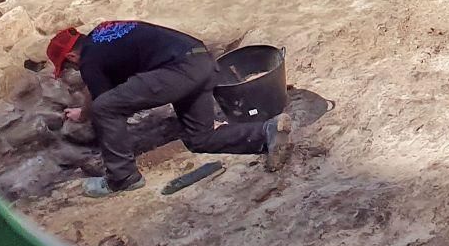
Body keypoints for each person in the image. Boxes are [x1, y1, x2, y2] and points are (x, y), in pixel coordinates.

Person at [45, 21, 292, 197]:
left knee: (105, 108)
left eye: (68, 68)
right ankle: (265, 133)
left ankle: (122, 179)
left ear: (71, 58)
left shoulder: (89, 61)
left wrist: (87, 114)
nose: (74, 72)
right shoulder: (103, 33)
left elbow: (104, 103)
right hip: (201, 61)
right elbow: (105, 92)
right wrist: (83, 111)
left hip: (177, 70)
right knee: (199, 138)